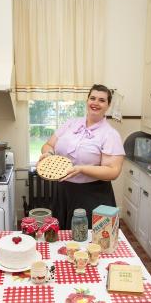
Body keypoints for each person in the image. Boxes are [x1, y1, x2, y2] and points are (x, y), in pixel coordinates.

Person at [38, 84, 125, 229]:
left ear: (108, 105)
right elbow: (48, 145)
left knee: (88, 242)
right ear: (87, 101)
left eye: (102, 100)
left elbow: (113, 171)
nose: (96, 103)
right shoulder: (70, 124)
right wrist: (49, 154)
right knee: (62, 238)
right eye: (92, 98)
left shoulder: (110, 134)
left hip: (92, 195)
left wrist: (81, 169)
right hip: (63, 191)